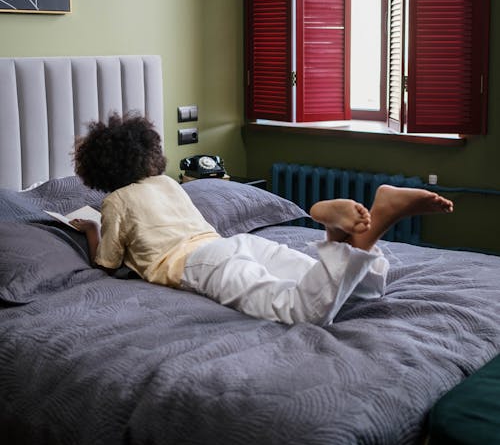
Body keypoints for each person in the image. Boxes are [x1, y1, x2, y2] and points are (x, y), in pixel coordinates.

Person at [71, 113, 454, 326]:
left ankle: (343, 235)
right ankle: (356, 229)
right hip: (232, 244)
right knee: (356, 290)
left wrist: (91, 229)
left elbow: (106, 264)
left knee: (298, 310)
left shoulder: (116, 201)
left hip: (195, 265)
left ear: (99, 170)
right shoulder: (168, 184)